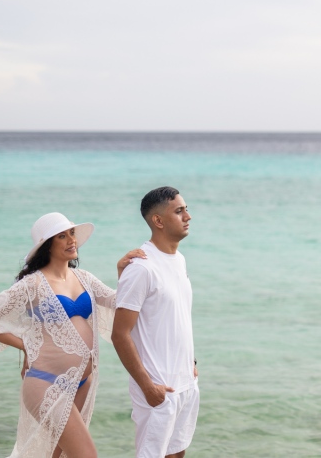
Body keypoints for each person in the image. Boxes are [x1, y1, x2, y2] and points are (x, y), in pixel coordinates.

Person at [0, 212, 145, 458]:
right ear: (47, 246)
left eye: (71, 233)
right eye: (61, 236)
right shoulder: (32, 285)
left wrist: (122, 271)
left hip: (82, 381)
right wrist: (27, 346)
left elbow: (118, 302)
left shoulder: (84, 278)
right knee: (86, 455)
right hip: (46, 383)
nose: (71, 240)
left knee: (57, 455)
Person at [112, 186, 199, 458]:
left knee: (177, 454)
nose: (188, 216)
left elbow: (175, 318)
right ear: (158, 221)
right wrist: (146, 385)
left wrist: (191, 364)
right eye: (179, 211)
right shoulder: (141, 268)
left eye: (186, 209)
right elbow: (120, 334)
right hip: (158, 386)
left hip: (185, 382)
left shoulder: (179, 260)